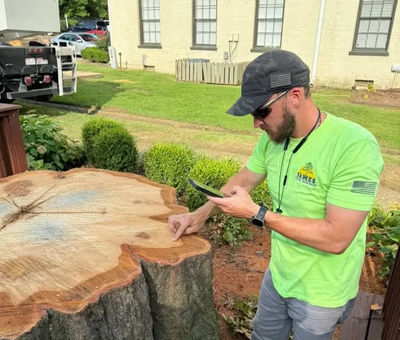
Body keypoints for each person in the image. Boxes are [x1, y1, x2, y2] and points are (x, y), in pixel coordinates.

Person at [168, 50, 384, 340]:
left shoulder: (354, 147)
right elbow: (244, 179)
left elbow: (337, 238)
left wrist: (258, 214)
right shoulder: (275, 138)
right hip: (279, 276)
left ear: (294, 96)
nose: (255, 123)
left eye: (261, 111)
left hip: (321, 293)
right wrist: (200, 215)